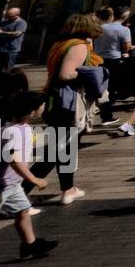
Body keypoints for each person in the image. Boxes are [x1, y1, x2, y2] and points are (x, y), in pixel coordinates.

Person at [0, 91, 57, 267]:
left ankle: (30, 244)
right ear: (33, 111)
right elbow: (13, 159)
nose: (44, 108)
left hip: (11, 184)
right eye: (42, 106)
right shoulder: (13, 132)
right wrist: (34, 179)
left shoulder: (21, 128)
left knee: (22, 210)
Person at [34, 13, 102, 205]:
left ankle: (68, 189)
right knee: (58, 150)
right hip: (68, 102)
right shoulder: (78, 46)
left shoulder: (60, 44)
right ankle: (20, 191)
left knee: (67, 148)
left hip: (56, 99)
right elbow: (66, 74)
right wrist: (90, 73)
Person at [93, 6, 132, 124]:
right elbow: (127, 47)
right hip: (114, 60)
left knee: (101, 86)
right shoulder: (124, 30)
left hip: (98, 59)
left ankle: (100, 109)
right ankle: (106, 114)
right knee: (113, 88)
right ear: (124, 17)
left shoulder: (99, 27)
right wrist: (126, 51)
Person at [0, 6, 27, 85]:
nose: (8, 17)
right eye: (8, 15)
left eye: (10, 16)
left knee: (8, 70)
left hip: (11, 50)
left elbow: (18, 33)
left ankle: (6, 86)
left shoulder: (21, 22)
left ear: (17, 15)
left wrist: (2, 33)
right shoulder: (5, 22)